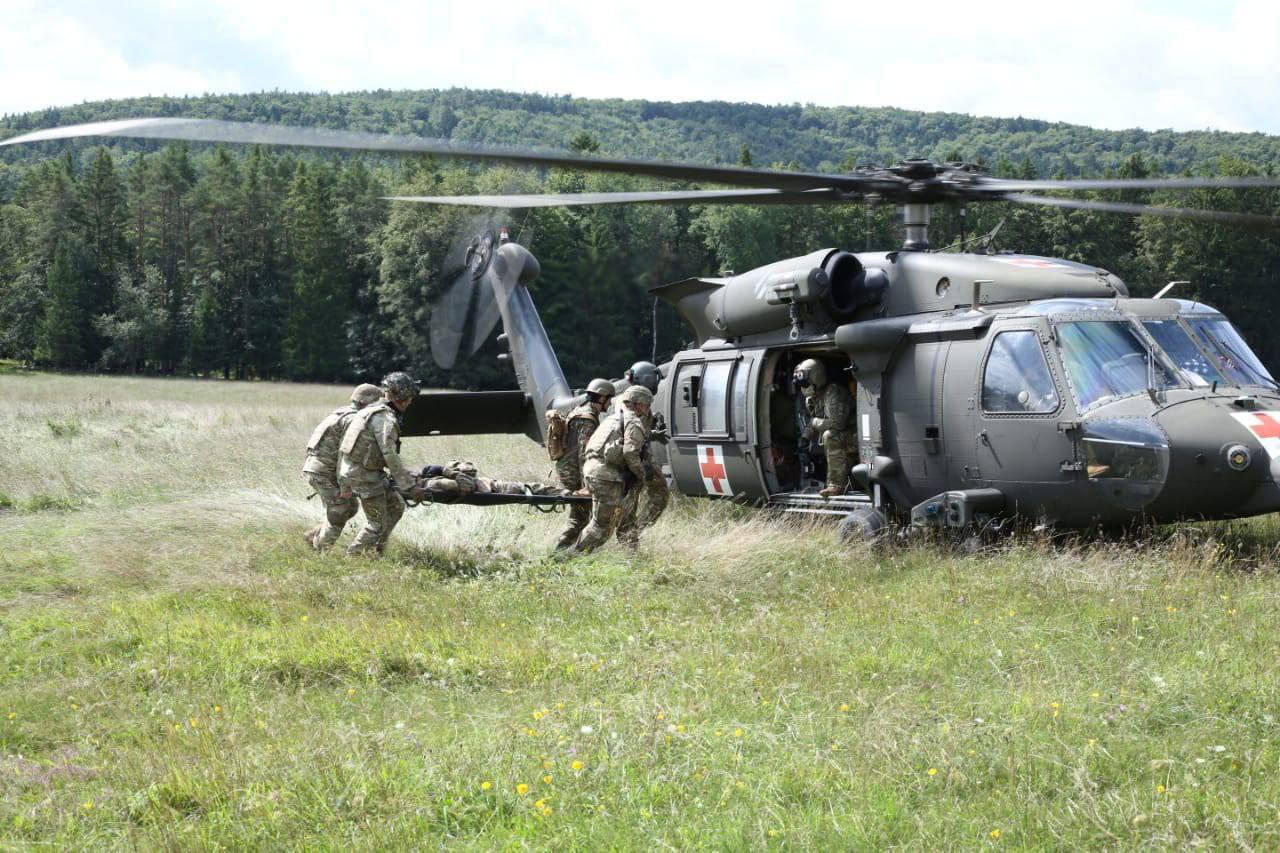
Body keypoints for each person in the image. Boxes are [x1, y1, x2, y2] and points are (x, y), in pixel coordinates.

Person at [338, 371, 420, 556]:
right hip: (364, 475)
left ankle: (377, 551)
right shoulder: (386, 418)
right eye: (409, 397)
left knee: (396, 506)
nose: (410, 402)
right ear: (403, 397)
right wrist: (409, 485)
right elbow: (389, 454)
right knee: (377, 523)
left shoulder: (369, 410)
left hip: (359, 471)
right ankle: (352, 557)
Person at [302, 383, 385, 550]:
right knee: (340, 509)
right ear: (368, 402)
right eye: (378, 402)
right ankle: (321, 549)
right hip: (324, 472)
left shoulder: (340, 412)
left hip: (317, 469)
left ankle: (314, 536)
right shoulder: (354, 419)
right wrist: (344, 484)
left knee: (351, 506)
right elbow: (344, 454)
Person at [574, 385, 652, 554]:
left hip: (594, 472)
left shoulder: (612, 419)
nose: (647, 409)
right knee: (601, 527)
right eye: (647, 404)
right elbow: (630, 452)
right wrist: (641, 475)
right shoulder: (633, 422)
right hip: (607, 477)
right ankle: (570, 557)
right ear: (640, 404)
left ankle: (632, 557)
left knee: (626, 520)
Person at [553, 378, 615, 550]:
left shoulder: (578, 411)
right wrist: (587, 485)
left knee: (580, 515)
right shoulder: (587, 419)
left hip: (567, 469)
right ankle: (561, 551)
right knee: (579, 517)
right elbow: (584, 455)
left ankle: (569, 550)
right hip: (574, 473)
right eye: (609, 399)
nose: (609, 404)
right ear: (602, 398)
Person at [794, 358, 856, 498]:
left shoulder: (834, 392)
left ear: (816, 377)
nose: (803, 386)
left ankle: (836, 485)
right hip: (846, 436)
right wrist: (805, 438)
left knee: (830, 435)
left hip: (857, 436)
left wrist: (814, 422)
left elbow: (838, 423)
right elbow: (812, 422)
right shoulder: (812, 397)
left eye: (805, 382)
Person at [409, 460, 569, 501]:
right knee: (528, 487)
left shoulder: (422, 481)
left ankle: (570, 493)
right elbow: (466, 484)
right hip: (493, 488)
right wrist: (447, 471)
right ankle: (570, 494)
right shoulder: (438, 483)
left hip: (488, 484)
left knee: (531, 487)